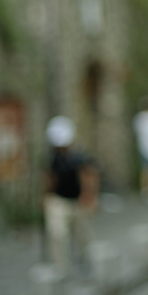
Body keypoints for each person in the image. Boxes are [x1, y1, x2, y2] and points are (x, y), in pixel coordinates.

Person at [43, 116, 99, 272]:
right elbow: (49, 177)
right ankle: (61, 267)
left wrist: (89, 196)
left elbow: (88, 176)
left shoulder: (79, 156)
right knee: (57, 235)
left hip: (78, 200)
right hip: (59, 199)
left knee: (83, 236)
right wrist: (46, 197)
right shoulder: (53, 157)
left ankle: (84, 262)